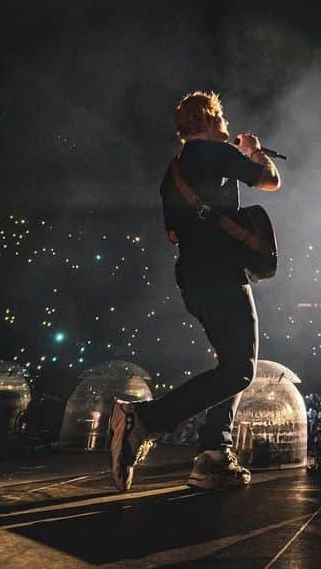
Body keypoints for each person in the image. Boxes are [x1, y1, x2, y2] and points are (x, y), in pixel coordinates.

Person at [109, 90, 281, 491]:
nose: (226, 124)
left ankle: (214, 454)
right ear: (206, 120)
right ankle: (146, 420)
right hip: (222, 275)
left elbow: (173, 232)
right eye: (220, 117)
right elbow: (270, 181)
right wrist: (254, 152)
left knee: (230, 365)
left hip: (193, 279)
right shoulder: (213, 153)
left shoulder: (172, 173)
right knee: (240, 369)